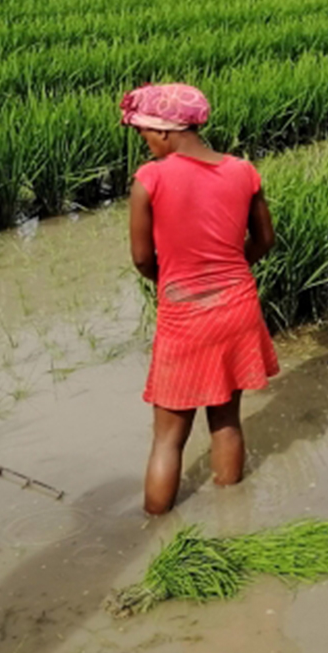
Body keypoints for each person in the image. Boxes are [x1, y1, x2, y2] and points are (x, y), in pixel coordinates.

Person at [122, 82, 279, 515]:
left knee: (168, 437)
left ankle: (156, 531)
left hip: (185, 314)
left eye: (146, 134)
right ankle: (233, 518)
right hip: (237, 306)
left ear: (167, 131)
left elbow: (140, 258)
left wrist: (168, 281)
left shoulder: (149, 179)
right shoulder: (243, 171)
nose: (147, 143)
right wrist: (232, 271)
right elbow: (265, 239)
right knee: (226, 420)